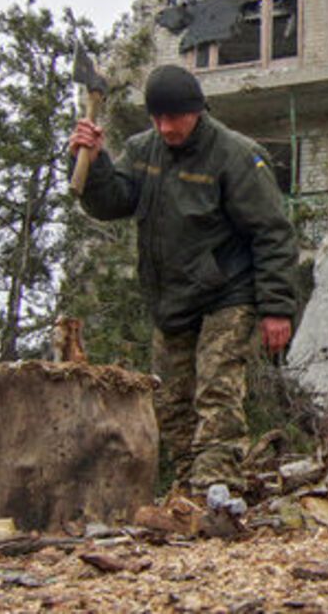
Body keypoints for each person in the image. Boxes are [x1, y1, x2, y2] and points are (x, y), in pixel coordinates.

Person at [68, 64, 299, 490]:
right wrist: (95, 161)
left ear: (197, 111)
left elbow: (273, 233)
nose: (166, 127)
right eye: (158, 118)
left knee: (216, 394)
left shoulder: (236, 155)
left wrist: (276, 309)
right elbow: (110, 202)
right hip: (172, 299)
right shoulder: (143, 150)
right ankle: (190, 490)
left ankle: (217, 490)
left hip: (230, 293)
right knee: (171, 405)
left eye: (175, 117)